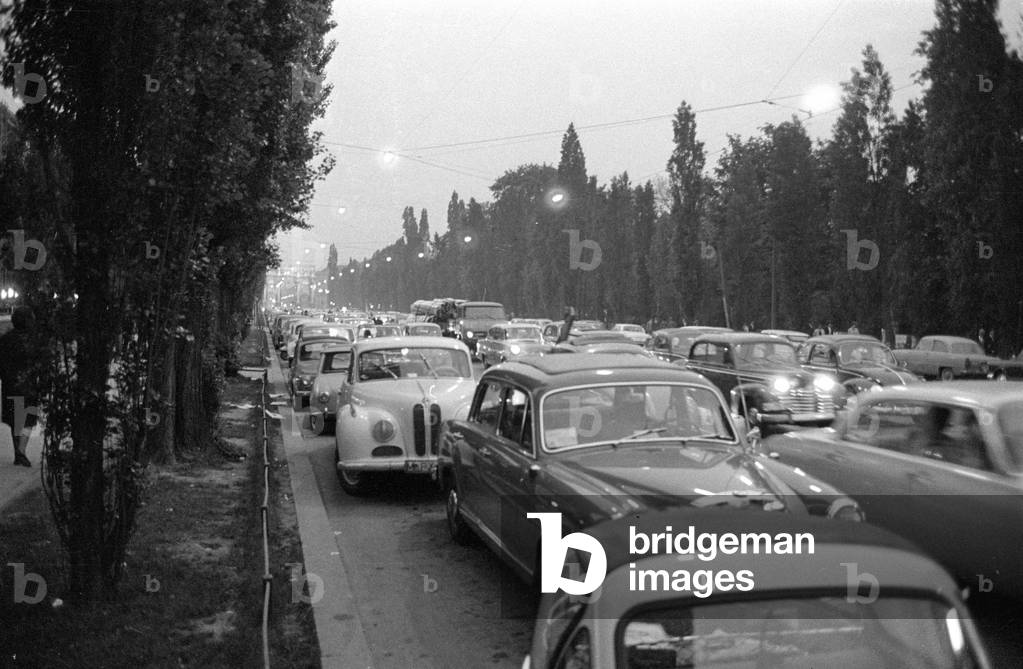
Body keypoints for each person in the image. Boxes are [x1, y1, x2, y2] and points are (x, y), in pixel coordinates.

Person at [0, 306, 39, 467]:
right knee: (27, 419)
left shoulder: (6, 340)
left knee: (16, 420)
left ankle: (19, 451)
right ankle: (21, 451)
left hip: (11, 385)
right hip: (27, 385)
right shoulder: (32, 340)